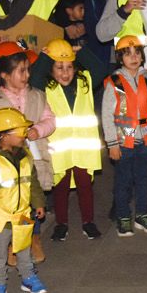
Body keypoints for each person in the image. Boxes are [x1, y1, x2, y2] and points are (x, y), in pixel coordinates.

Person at [0, 107, 48, 293]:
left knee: (24, 250)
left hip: (22, 215)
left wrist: (38, 203)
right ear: (3, 136)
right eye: (20, 131)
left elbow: (32, 183)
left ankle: (28, 277)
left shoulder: (25, 156)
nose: (25, 134)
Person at [39, 38, 103, 241]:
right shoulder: (45, 87)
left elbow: (100, 69)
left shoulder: (85, 80)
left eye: (69, 67)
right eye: (59, 67)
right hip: (59, 151)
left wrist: (80, 51)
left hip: (83, 149)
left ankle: (88, 222)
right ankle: (61, 224)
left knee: (85, 187)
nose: (65, 72)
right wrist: (43, 57)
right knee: (61, 189)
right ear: (51, 69)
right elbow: (33, 78)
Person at [102, 35, 147, 236]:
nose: (133, 57)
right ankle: (123, 216)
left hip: (144, 139)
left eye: (137, 53)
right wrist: (112, 144)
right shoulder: (114, 81)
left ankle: (142, 214)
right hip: (123, 140)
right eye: (128, 54)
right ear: (120, 58)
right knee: (123, 182)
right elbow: (106, 115)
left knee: (143, 179)